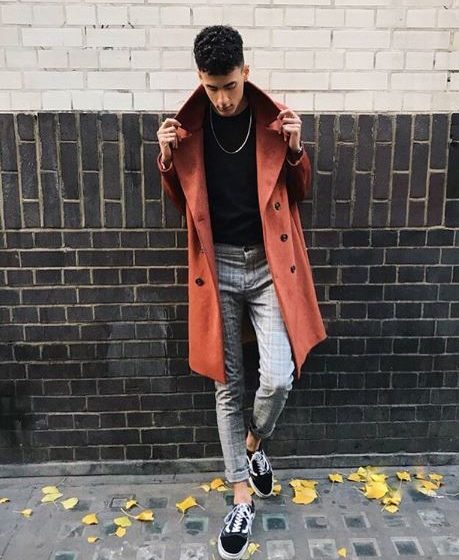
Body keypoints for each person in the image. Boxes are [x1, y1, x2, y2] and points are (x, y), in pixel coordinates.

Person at [156, 25, 326, 560]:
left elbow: (299, 193)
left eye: (229, 85)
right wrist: (167, 160)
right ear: (200, 80)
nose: (223, 98)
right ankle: (240, 497)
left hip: (271, 266)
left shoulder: (274, 122)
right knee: (227, 386)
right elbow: (185, 204)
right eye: (212, 88)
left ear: (245, 72)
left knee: (277, 377)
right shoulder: (187, 130)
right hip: (218, 268)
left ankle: (253, 446)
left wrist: (296, 150)